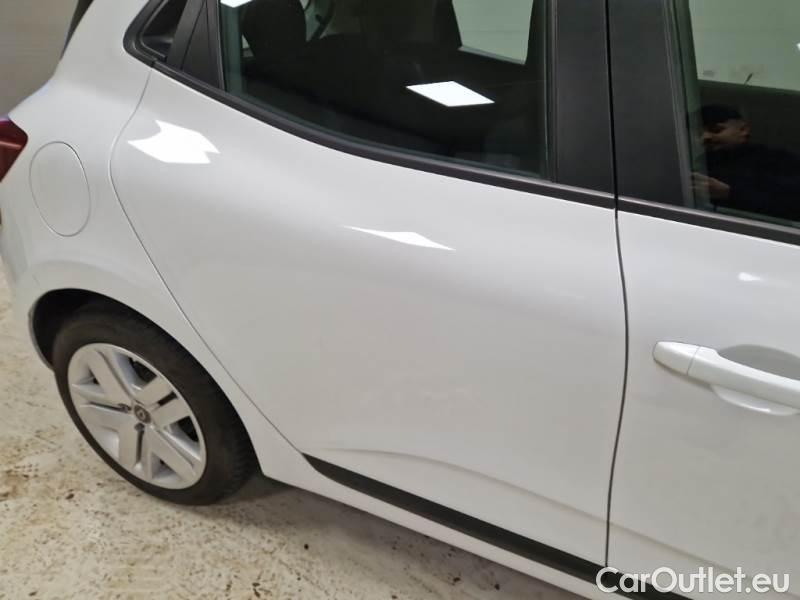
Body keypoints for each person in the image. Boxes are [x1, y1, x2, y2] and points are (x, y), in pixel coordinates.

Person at [693, 104, 800, 222]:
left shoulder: (778, 160)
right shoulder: (697, 164)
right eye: (699, 133)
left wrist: (729, 193)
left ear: (743, 130)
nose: (705, 137)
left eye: (716, 130)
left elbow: (790, 204)